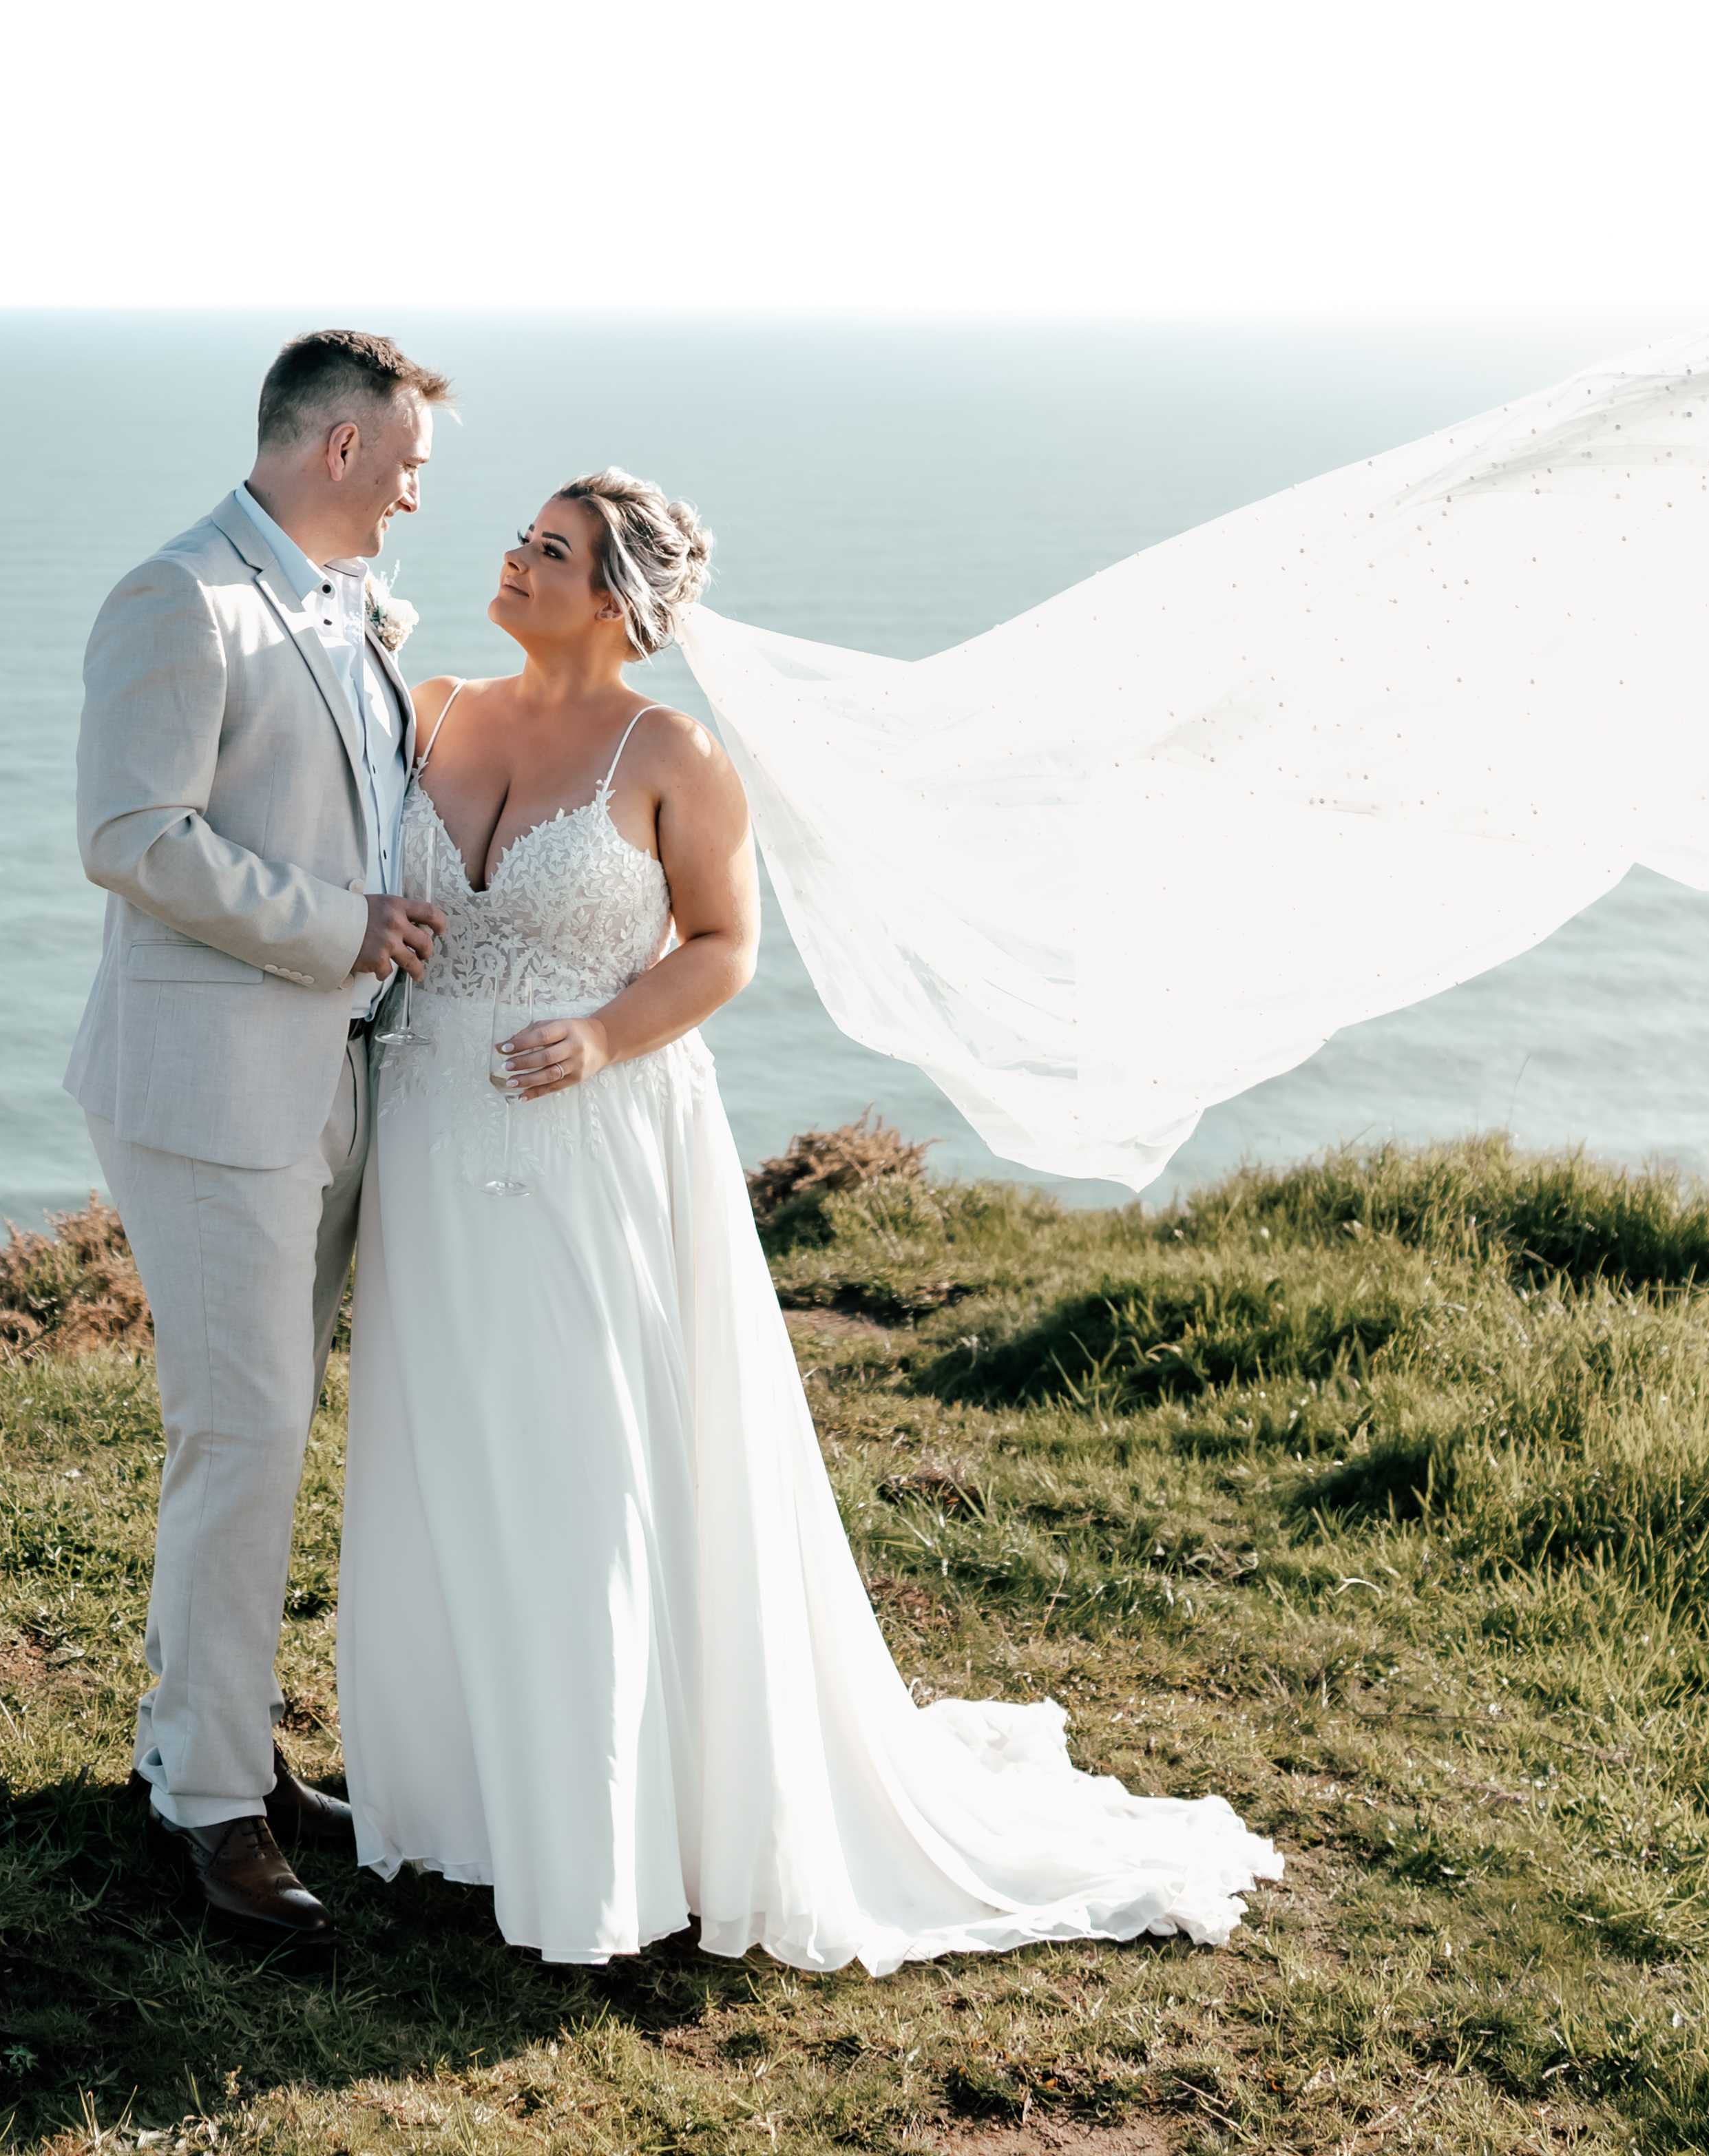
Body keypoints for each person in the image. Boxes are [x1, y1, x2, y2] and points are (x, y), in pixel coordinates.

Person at [334, 468, 1287, 1969]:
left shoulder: (675, 755)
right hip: (431, 1130)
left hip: (591, 1139)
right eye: (522, 537)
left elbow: (723, 947)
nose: (513, 559)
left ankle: (612, 1831)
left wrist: (596, 1035)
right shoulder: (435, 706)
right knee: (443, 1441)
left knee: (594, 1460)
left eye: (552, 550)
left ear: (619, 600)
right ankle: (467, 1797)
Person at [63, 325, 450, 1941]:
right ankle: (211, 1802)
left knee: (270, 1431)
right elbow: (129, 834)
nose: (419, 502)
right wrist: (336, 928)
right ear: (342, 449)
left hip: (336, 1081)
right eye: (410, 468)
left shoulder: (345, 610)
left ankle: (217, 1740)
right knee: (243, 1436)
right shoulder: (182, 597)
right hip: (214, 1089)